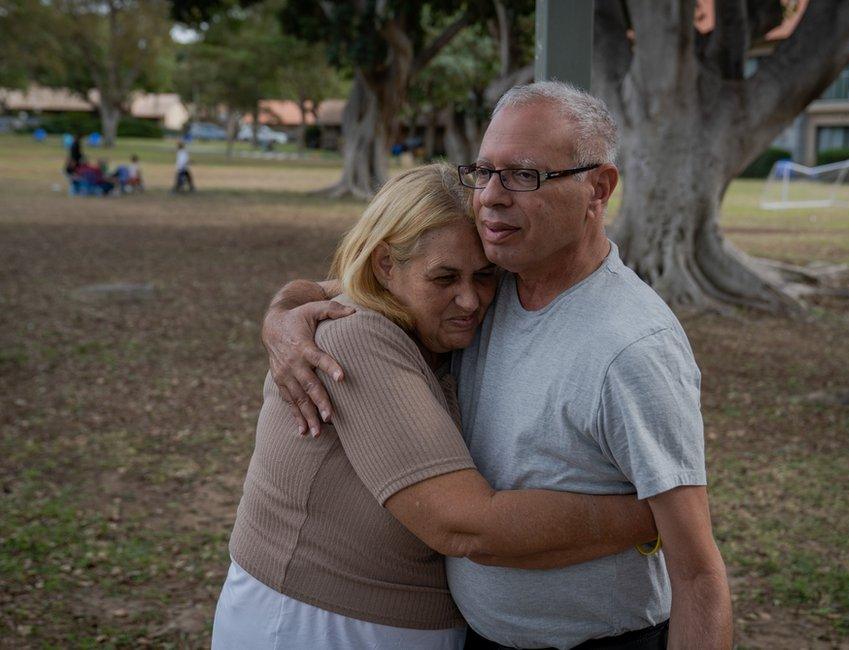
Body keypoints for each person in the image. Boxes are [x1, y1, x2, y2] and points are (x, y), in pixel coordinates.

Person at [263, 82, 733, 649]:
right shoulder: (493, 282)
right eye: (483, 171)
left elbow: (699, 574)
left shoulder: (632, 349)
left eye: (524, 175)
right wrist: (285, 315)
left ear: (598, 188)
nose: (489, 196)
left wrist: (653, 518)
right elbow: (363, 287)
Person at [212, 164, 660, 650]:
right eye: (444, 277)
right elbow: (464, 524)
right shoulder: (355, 338)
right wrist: (657, 512)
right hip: (318, 624)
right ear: (386, 264)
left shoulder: (438, 325)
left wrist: (283, 308)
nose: (469, 300)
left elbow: (323, 286)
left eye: (485, 277)